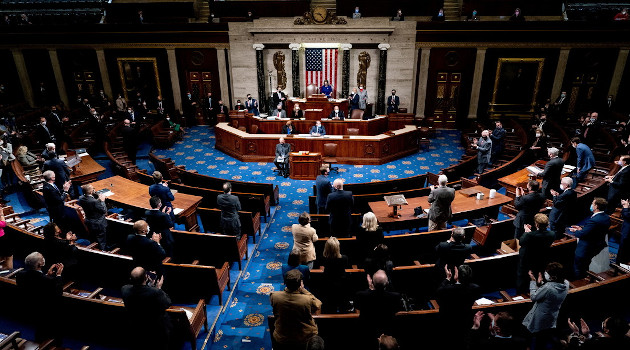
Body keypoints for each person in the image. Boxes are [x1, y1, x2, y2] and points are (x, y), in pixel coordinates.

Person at [16, 252, 64, 342]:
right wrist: (58, 275)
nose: (43, 260)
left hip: (29, 306)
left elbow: (36, 283)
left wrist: (47, 275)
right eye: (42, 259)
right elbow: (58, 293)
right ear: (40, 264)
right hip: (45, 311)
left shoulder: (20, 275)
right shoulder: (47, 281)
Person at [121, 267, 172, 350]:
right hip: (155, 330)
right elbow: (168, 303)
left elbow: (140, 293)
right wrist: (158, 288)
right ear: (146, 277)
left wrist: (149, 286)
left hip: (136, 327)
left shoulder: (124, 289)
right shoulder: (156, 293)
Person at [269, 269, 322, 350]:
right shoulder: (306, 299)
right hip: (304, 337)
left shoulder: (274, 296)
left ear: (285, 282)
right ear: (300, 284)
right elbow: (318, 304)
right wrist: (303, 290)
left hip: (282, 336)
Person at [522, 262, 569, 349]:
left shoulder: (548, 288)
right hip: (552, 314)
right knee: (543, 337)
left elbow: (533, 297)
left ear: (553, 276)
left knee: (529, 333)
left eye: (547, 272)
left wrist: (533, 281)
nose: (545, 274)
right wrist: (541, 284)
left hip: (539, 317)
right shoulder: (566, 283)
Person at [436, 264, 481, 348]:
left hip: (447, 322)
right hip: (465, 321)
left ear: (457, 275)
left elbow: (439, 291)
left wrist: (447, 278)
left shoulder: (447, 289)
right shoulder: (475, 288)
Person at [355, 270, 402, 342]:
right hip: (389, 332)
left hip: (367, 332)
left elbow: (358, 308)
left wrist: (370, 289)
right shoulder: (395, 297)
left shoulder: (361, 295)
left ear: (372, 283)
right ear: (387, 283)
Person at [569, 198, 611, 278]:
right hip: (596, 246)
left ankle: (580, 282)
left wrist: (576, 231)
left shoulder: (594, 220)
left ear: (596, 206)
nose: (591, 205)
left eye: (593, 203)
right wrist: (582, 229)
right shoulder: (606, 217)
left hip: (586, 248)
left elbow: (582, 234)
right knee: (586, 264)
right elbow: (594, 230)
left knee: (579, 268)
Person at [517, 214, 555, 293]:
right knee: (538, 274)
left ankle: (521, 293)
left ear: (536, 224)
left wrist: (526, 232)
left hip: (527, 259)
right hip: (542, 258)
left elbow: (521, 242)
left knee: (522, 276)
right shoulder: (552, 234)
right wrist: (530, 233)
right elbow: (538, 237)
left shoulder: (529, 235)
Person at [319, 237, 350, 313]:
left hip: (328, 284)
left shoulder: (324, 258)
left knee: (330, 305)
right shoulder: (344, 258)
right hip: (341, 284)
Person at [78, 184, 108, 250]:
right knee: (101, 240)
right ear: (91, 192)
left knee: (93, 239)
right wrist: (102, 201)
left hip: (89, 222)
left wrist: (98, 199)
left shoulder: (81, 198)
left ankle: (95, 249)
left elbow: (91, 204)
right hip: (98, 224)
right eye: (93, 189)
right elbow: (104, 211)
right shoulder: (94, 202)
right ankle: (103, 251)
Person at [617, 199, 630, 264]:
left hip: (627, 234)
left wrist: (626, 207)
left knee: (624, 252)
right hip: (625, 232)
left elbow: (627, 215)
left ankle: (619, 266)